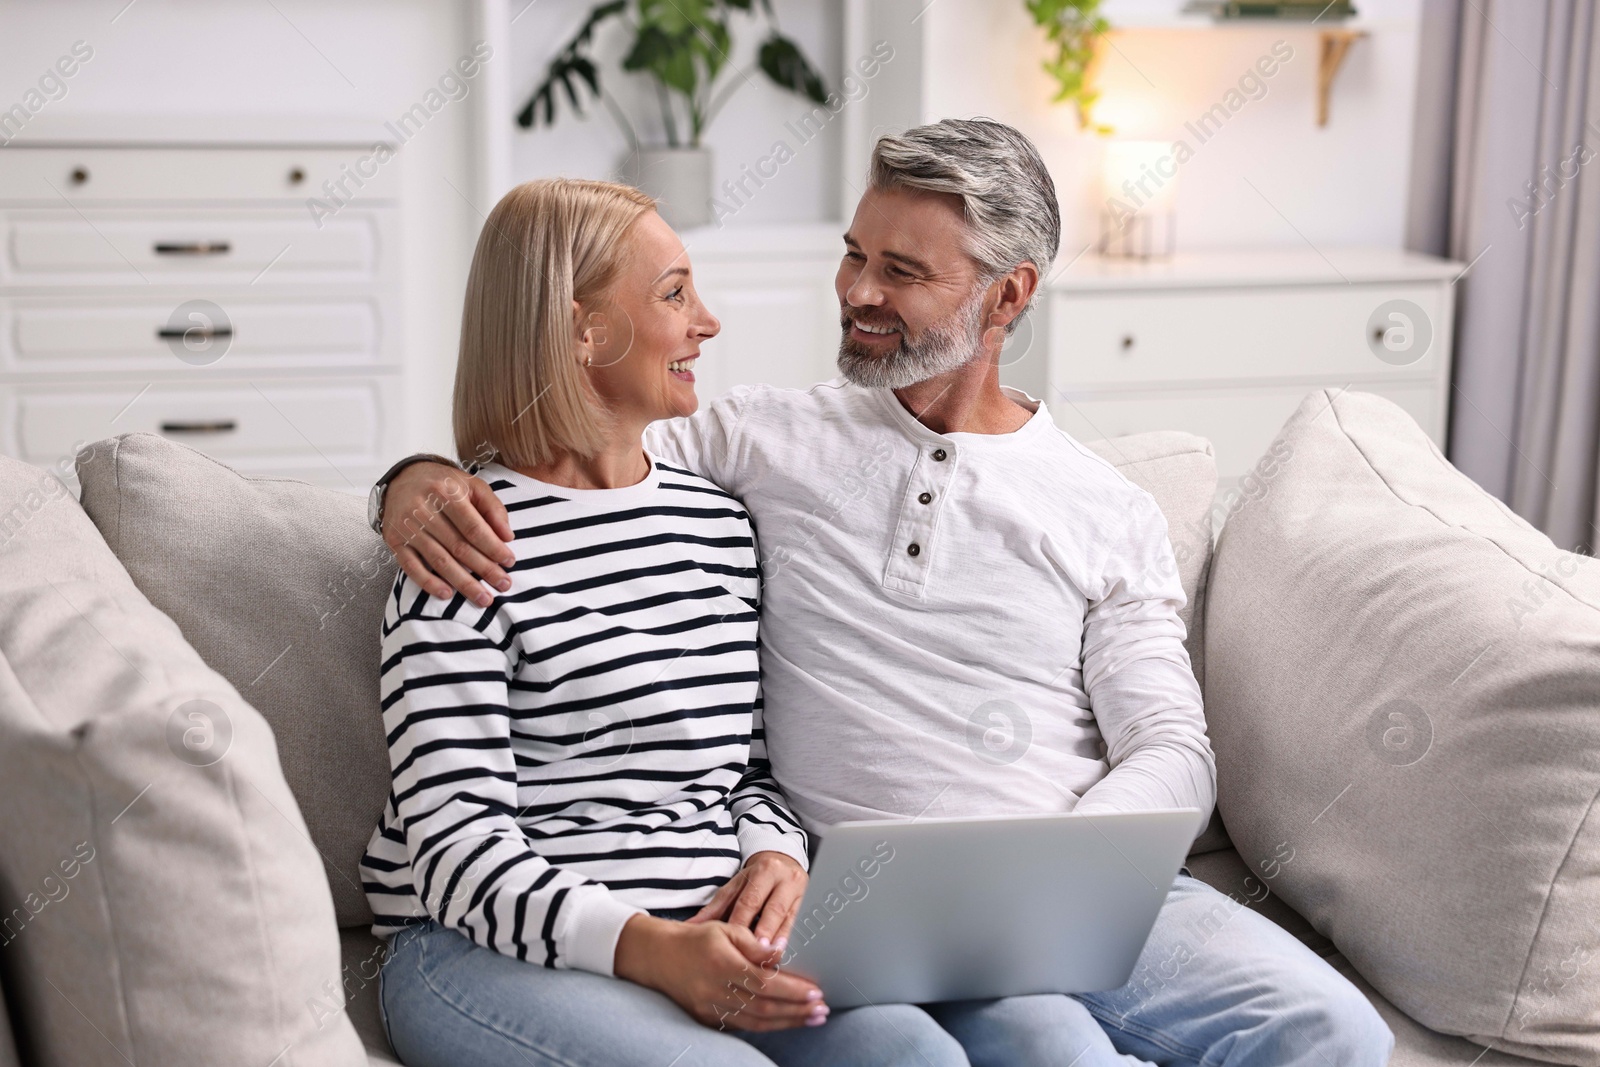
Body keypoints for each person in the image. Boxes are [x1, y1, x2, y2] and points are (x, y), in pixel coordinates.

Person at [373, 121, 1395, 1066]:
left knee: (1331, 1029)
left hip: (1065, 873)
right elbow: (559, 453)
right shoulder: (755, 445)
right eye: (855, 254)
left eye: (900, 271)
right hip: (862, 895)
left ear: (1007, 295)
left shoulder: (1105, 506)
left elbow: (1170, 745)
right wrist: (411, 480)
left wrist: (1059, 872)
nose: (857, 290)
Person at [361, 177, 960, 1067]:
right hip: (481, 951)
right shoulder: (463, 545)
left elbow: (750, 772)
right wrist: (650, 948)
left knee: (919, 1055)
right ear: (580, 329)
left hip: (708, 938)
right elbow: (458, 853)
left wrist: (775, 857)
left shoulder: (718, 524)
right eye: (674, 293)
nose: (707, 322)